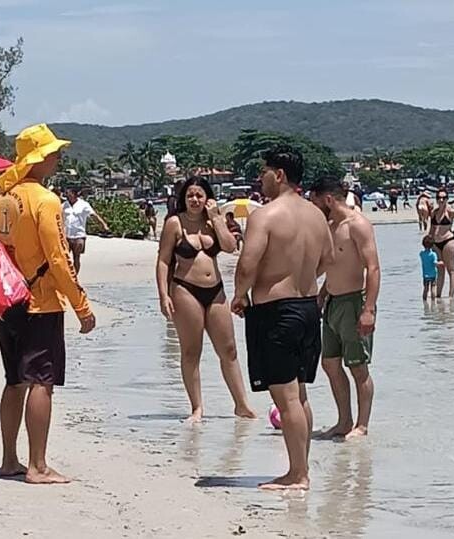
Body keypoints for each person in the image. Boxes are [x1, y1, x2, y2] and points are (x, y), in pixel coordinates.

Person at [0, 123, 96, 484]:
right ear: (38, 158)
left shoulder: (3, 196)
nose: (58, 158)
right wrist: (81, 306)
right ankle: (37, 465)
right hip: (39, 302)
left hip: (6, 300)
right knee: (41, 382)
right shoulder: (46, 201)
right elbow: (59, 259)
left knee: (14, 381)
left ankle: (9, 459)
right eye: (53, 153)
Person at [231, 145, 333, 490]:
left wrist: (240, 295)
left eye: (263, 171)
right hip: (308, 309)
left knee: (286, 398)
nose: (260, 178)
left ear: (279, 175)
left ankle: (298, 474)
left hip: (277, 312)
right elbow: (328, 259)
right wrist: (303, 278)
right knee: (299, 395)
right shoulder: (316, 215)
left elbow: (247, 263)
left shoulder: (265, 215)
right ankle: (301, 468)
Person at [155, 178, 256, 423]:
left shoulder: (213, 222)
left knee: (229, 350)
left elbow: (230, 247)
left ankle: (242, 405)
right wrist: (163, 295)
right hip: (185, 289)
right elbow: (164, 261)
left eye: (199, 195)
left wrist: (217, 219)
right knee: (192, 351)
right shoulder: (175, 223)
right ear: (183, 198)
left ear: (207, 198)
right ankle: (197, 407)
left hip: (216, 290)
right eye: (190, 195)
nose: (194, 200)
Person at [309, 176, 381, 441]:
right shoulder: (329, 227)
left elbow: (373, 268)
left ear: (328, 199)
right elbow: (330, 266)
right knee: (329, 363)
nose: (313, 207)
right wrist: (320, 294)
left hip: (354, 301)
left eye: (315, 201)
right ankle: (344, 421)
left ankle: (362, 425)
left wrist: (368, 309)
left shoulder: (358, 225)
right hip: (332, 301)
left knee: (358, 367)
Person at [429, 189, 454, 298]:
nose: (441, 200)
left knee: (451, 269)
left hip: (448, 241)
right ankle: (438, 296)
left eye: (444, 198)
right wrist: (429, 242)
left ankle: (451, 297)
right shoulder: (434, 212)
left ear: (447, 199)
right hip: (436, 243)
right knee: (440, 270)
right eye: (439, 198)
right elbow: (432, 228)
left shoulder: (450, 212)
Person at [62, 188, 109, 274]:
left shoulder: (84, 204)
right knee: (64, 257)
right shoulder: (64, 205)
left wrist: (103, 225)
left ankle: (75, 276)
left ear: (74, 194)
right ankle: (66, 275)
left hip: (79, 235)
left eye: (69, 193)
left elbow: (94, 215)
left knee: (76, 257)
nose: (67, 195)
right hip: (66, 236)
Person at [419, 235, 443, 301]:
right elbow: (435, 263)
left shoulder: (422, 254)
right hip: (433, 275)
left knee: (425, 288)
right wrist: (441, 263)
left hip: (425, 275)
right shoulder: (433, 254)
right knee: (433, 287)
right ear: (432, 245)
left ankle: (424, 300)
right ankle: (433, 300)